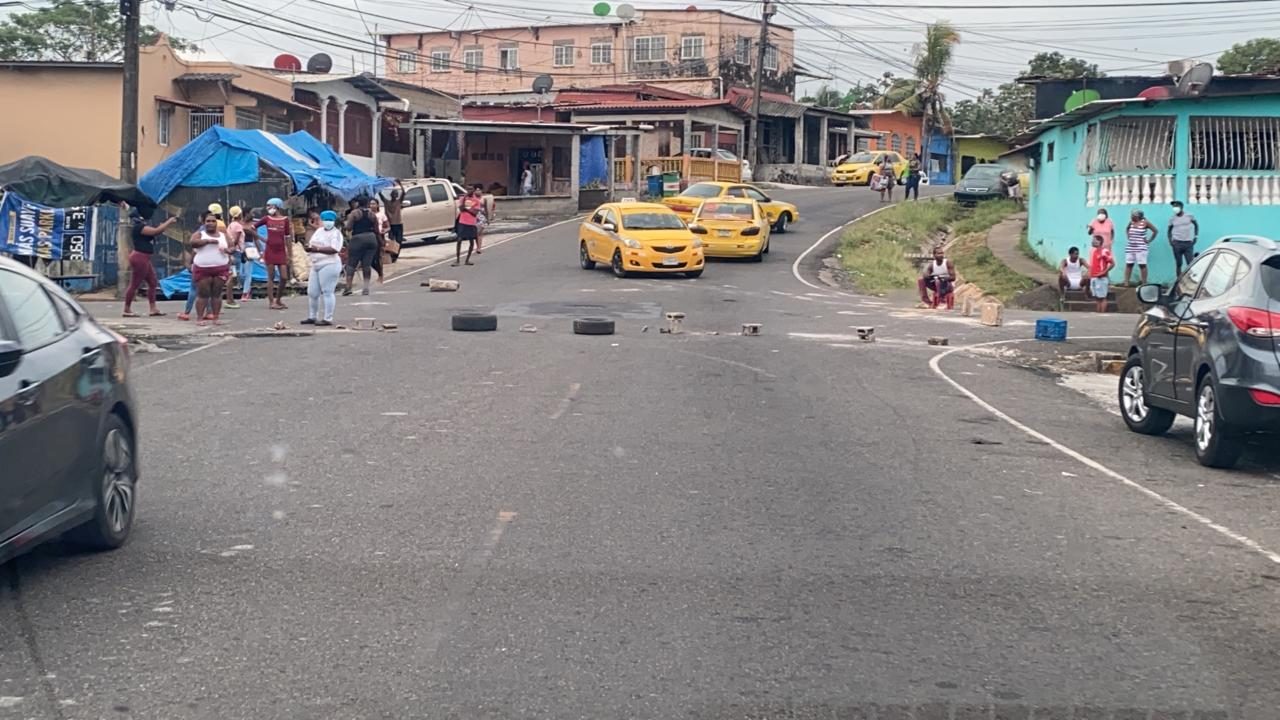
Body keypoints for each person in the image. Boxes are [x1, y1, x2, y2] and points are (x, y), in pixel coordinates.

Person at [122, 208, 176, 318]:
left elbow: (155, 231)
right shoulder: (139, 227)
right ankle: (127, 309)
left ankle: (153, 308)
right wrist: (169, 222)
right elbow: (156, 231)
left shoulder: (141, 227)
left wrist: (162, 226)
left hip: (144, 257)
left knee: (152, 282)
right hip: (140, 257)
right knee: (135, 284)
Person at [303, 210, 344, 327]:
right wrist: (309, 248)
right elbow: (312, 243)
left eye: (330, 220)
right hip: (316, 264)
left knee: (327, 291)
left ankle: (327, 318)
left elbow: (334, 249)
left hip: (329, 264)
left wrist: (317, 249)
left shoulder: (336, 234)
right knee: (312, 292)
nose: (327, 222)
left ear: (334, 221)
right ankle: (312, 316)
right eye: (325, 220)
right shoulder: (319, 231)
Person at [190, 211, 230, 326]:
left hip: (220, 268)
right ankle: (199, 318)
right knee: (203, 294)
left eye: (213, 221)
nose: (211, 223)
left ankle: (216, 317)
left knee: (217, 294)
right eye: (208, 221)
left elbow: (232, 246)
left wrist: (228, 250)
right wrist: (207, 241)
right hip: (203, 269)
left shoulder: (223, 235)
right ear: (204, 223)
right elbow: (192, 243)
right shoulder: (200, 234)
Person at [254, 197, 292, 310]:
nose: (268, 208)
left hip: (281, 251)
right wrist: (262, 239)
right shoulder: (267, 219)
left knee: (284, 277)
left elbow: (288, 237)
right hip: (270, 250)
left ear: (277, 207)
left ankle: (278, 299)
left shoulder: (285, 220)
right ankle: (271, 302)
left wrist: (289, 254)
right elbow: (252, 228)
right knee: (271, 277)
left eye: (270, 206)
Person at [343, 195, 380, 295]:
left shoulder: (354, 213)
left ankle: (348, 287)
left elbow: (349, 227)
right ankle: (366, 288)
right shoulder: (372, 214)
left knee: (351, 263)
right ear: (367, 203)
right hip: (371, 239)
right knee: (366, 265)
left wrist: (345, 225)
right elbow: (377, 230)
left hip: (358, 239)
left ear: (357, 203)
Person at [1123, 208, 1157, 287]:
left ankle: (1144, 283)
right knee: (1129, 264)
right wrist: (1128, 236)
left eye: (1132, 215)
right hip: (1130, 247)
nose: (1131, 217)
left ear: (1137, 216)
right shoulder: (1131, 222)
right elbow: (1127, 228)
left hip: (1141, 247)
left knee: (1142, 265)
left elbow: (1155, 231)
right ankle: (1126, 282)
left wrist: (1149, 240)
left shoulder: (1145, 222)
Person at [223, 206, 246, 309]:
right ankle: (229, 299)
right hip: (236, 252)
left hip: (233, 252)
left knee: (232, 275)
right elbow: (236, 240)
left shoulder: (231, 225)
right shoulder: (238, 226)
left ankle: (230, 298)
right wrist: (235, 249)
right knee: (233, 276)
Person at [1167, 200, 1199, 276]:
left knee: (1190, 263)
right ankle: (1178, 280)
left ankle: (1190, 279)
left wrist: (1196, 236)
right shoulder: (1172, 218)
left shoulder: (1189, 216)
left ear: (1181, 207)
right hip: (1177, 243)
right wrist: (1170, 241)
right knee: (1179, 263)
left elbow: (1196, 225)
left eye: (1176, 206)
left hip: (1188, 243)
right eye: (1173, 206)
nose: (1175, 208)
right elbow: (1169, 230)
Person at [454, 186, 483, 267]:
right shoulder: (463, 198)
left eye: (471, 189)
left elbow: (475, 213)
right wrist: (464, 201)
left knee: (471, 241)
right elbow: (461, 209)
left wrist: (466, 209)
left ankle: (467, 260)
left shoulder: (476, 200)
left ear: (473, 190)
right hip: (462, 221)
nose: (469, 190)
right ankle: (457, 260)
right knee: (459, 240)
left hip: (471, 223)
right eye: (468, 189)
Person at [1088, 234, 1115, 313]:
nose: (1092, 242)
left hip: (1101, 278)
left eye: (1094, 240)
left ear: (1099, 241)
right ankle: (1098, 313)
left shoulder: (1104, 251)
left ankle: (1102, 314)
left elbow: (1112, 263)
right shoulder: (1095, 251)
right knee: (1097, 297)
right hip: (1094, 277)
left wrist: (1103, 272)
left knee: (1102, 297)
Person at [385, 182, 405, 261]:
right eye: (394, 194)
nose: (395, 195)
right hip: (394, 224)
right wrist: (400, 184)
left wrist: (400, 184)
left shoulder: (396, 202)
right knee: (394, 241)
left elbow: (403, 193)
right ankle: (394, 255)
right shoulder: (389, 202)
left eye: (396, 194)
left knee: (397, 241)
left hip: (397, 224)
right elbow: (403, 193)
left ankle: (395, 255)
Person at [472, 184, 490, 254]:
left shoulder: (484, 199)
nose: (478, 192)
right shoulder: (472, 199)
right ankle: (477, 246)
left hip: (482, 217)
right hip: (475, 216)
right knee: (476, 233)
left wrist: (488, 219)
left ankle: (479, 248)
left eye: (479, 190)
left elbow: (486, 209)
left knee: (480, 232)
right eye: (476, 190)